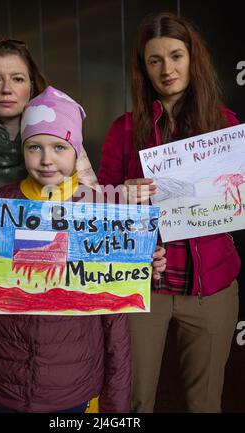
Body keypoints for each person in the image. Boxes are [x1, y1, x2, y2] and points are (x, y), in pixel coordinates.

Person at [97, 12, 241, 413]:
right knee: (132, 401)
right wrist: (120, 194)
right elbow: (96, 204)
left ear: (193, 60)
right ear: (143, 68)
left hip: (210, 287)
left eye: (176, 56)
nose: (167, 69)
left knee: (205, 402)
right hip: (144, 286)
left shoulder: (225, 125)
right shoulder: (124, 129)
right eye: (154, 60)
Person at [0, 85, 133, 413]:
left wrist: (116, 406)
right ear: (22, 149)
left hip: (72, 383)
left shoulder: (99, 206)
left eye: (59, 147)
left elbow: (116, 318)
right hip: (1, 377)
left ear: (76, 151)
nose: (47, 159)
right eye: (34, 147)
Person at [0, 38, 98, 297]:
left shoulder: (66, 142)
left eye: (17, 78)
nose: (7, 89)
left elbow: (96, 210)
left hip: (56, 283)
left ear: (31, 85)